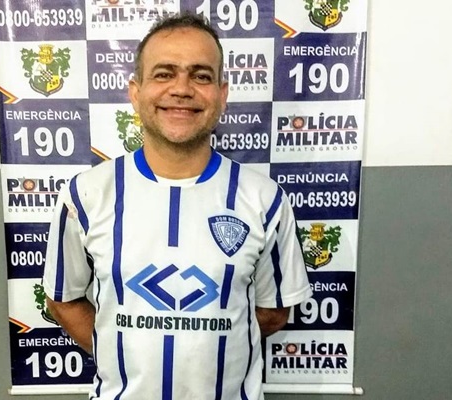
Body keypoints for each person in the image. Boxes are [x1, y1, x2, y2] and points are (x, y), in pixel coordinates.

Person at [42, 11, 312, 400]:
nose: (182, 89)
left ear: (222, 94)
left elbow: (272, 312)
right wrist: (121, 352)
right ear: (135, 92)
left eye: (200, 76)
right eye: (164, 74)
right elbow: (63, 300)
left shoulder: (264, 199)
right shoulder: (85, 195)